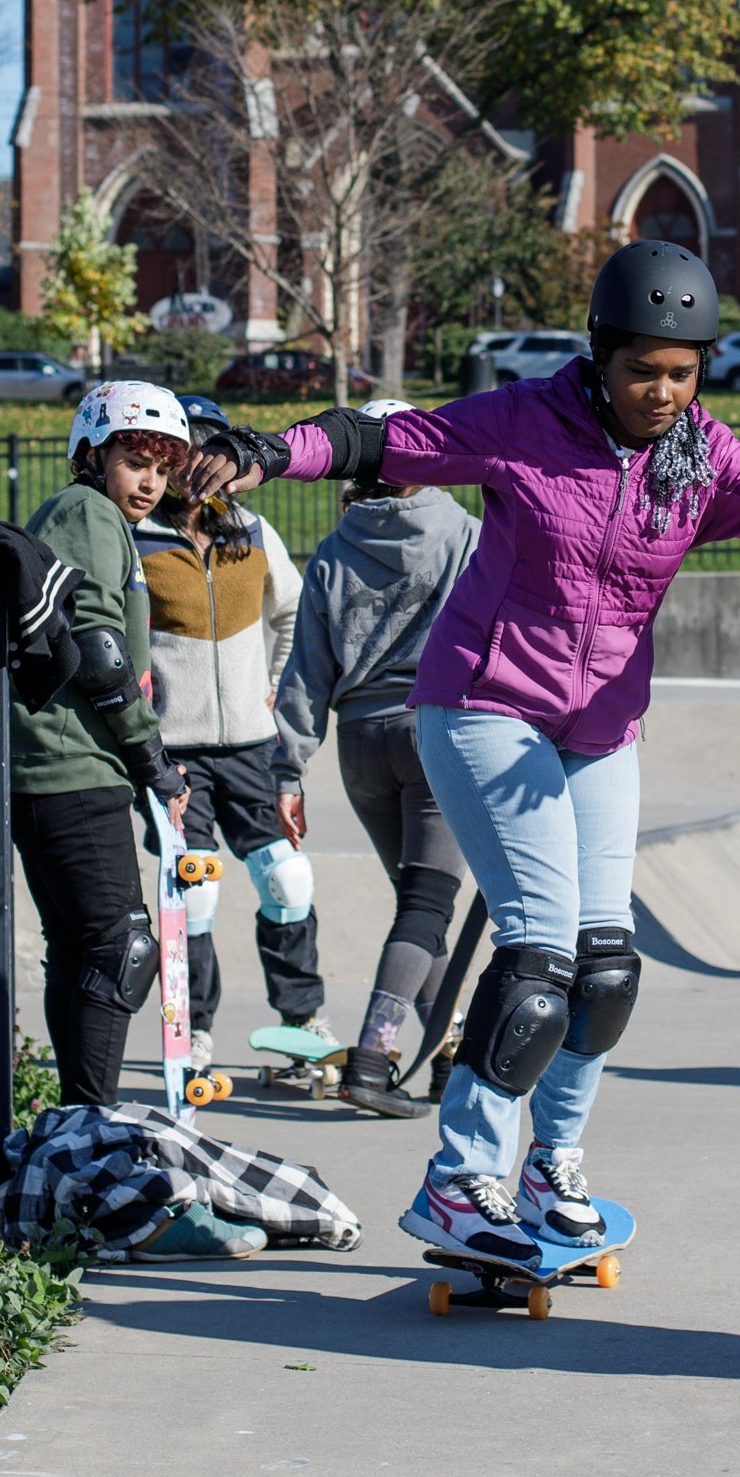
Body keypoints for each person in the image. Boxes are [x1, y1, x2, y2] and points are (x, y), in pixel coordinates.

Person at [182, 239, 740, 1270]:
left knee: (608, 970)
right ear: (601, 355)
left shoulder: (705, 460)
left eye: (682, 373)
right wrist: (266, 451)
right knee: (538, 959)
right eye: (641, 370)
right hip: (483, 703)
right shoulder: (527, 421)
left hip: (601, 724)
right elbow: (386, 444)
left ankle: (550, 1165)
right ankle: (459, 1182)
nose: (660, 393)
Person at [272, 396, 484, 1116]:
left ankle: (449, 1054)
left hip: (361, 743)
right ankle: (373, 1056)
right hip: (437, 735)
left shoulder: (332, 552)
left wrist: (286, 767)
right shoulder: (464, 534)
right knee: (427, 909)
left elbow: (306, 671)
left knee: (417, 909)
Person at [8, 381, 191, 1105]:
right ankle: (90, 1123)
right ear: (91, 453)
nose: (150, 480)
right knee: (120, 948)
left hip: (69, 764)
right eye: (134, 459)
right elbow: (97, 648)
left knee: (84, 950)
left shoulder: (99, 516)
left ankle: (76, 1123)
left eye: (163, 466)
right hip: (68, 764)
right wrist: (157, 767)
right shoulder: (87, 509)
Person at [133, 410, 317, 1081]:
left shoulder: (254, 532)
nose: (195, 471)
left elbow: (296, 611)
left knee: (287, 879)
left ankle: (301, 1024)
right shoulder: (137, 540)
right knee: (195, 894)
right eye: (180, 458)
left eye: (207, 456)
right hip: (174, 751)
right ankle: (196, 1029)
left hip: (251, 743)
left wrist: (274, 684)